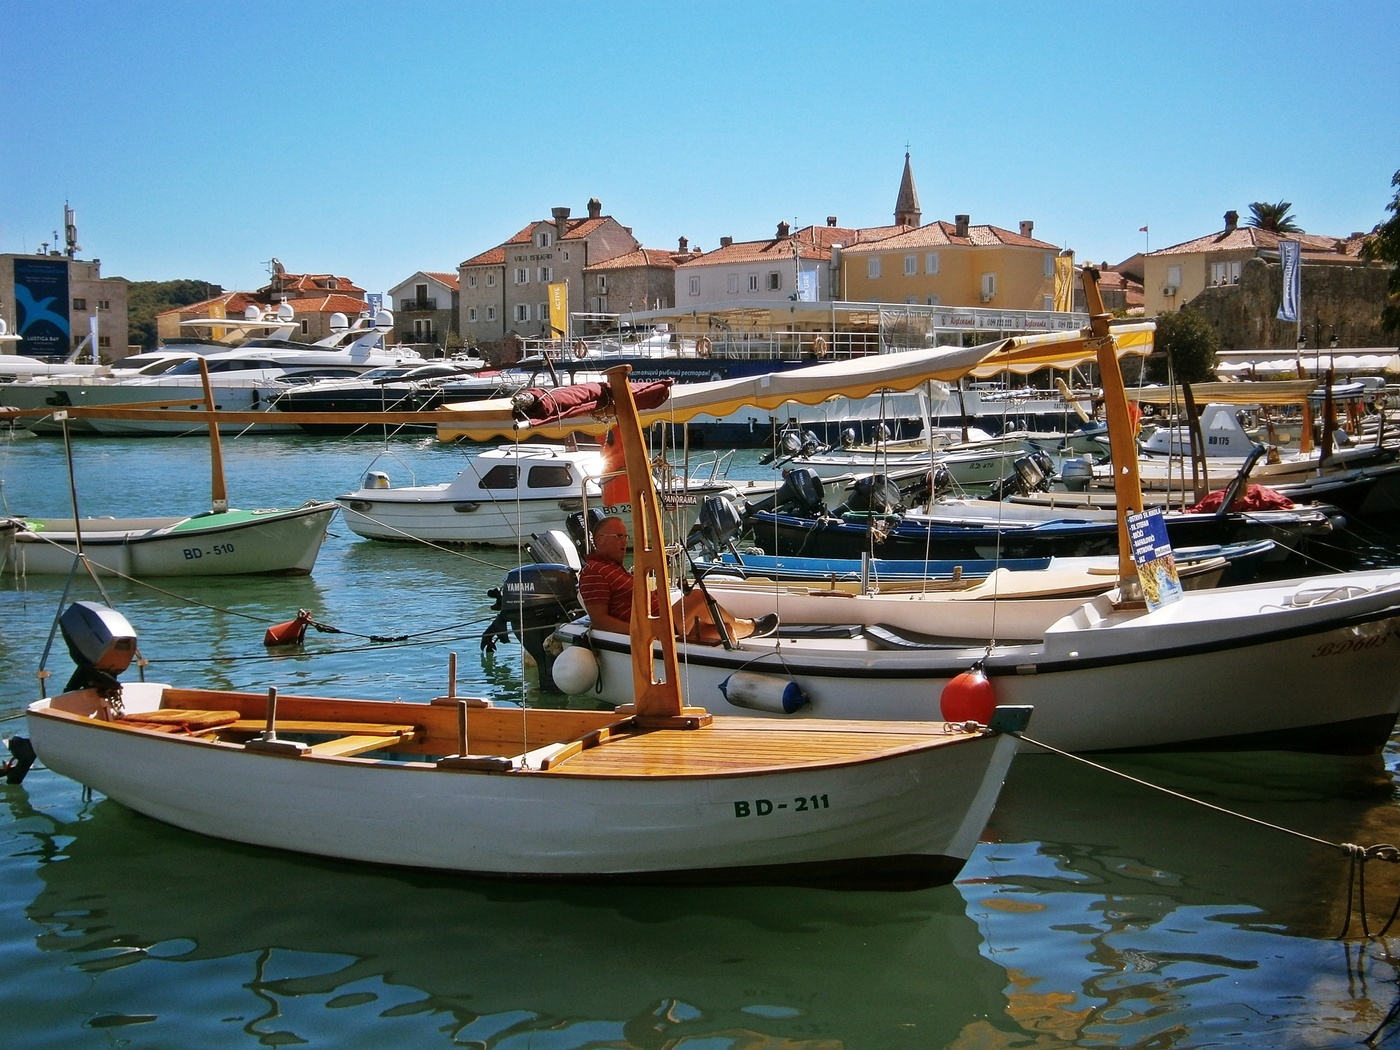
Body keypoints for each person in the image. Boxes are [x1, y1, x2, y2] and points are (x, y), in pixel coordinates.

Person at [578, 515, 777, 643]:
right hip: (654, 628)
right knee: (698, 597)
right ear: (600, 539)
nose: (624, 541)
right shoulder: (595, 571)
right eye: (618, 536)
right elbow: (599, 620)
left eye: (625, 537)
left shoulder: (615, 569)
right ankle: (750, 627)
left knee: (721, 630)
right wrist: (640, 634)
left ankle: (733, 657)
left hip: (661, 622)